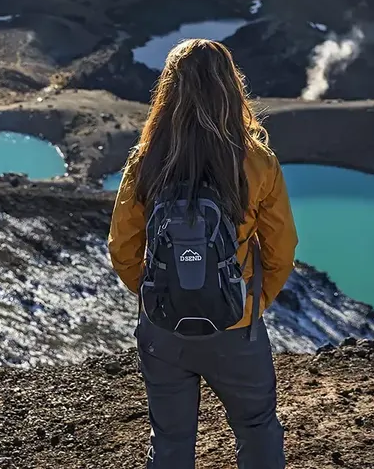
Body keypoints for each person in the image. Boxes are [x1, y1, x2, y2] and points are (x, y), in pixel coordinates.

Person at [108, 38, 299, 469]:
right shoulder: (257, 161)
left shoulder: (146, 160)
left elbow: (122, 248)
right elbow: (281, 249)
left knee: (171, 441)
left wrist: (157, 293)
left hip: (163, 330)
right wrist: (253, 303)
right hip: (236, 327)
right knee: (256, 427)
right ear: (231, 88)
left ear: (169, 91)